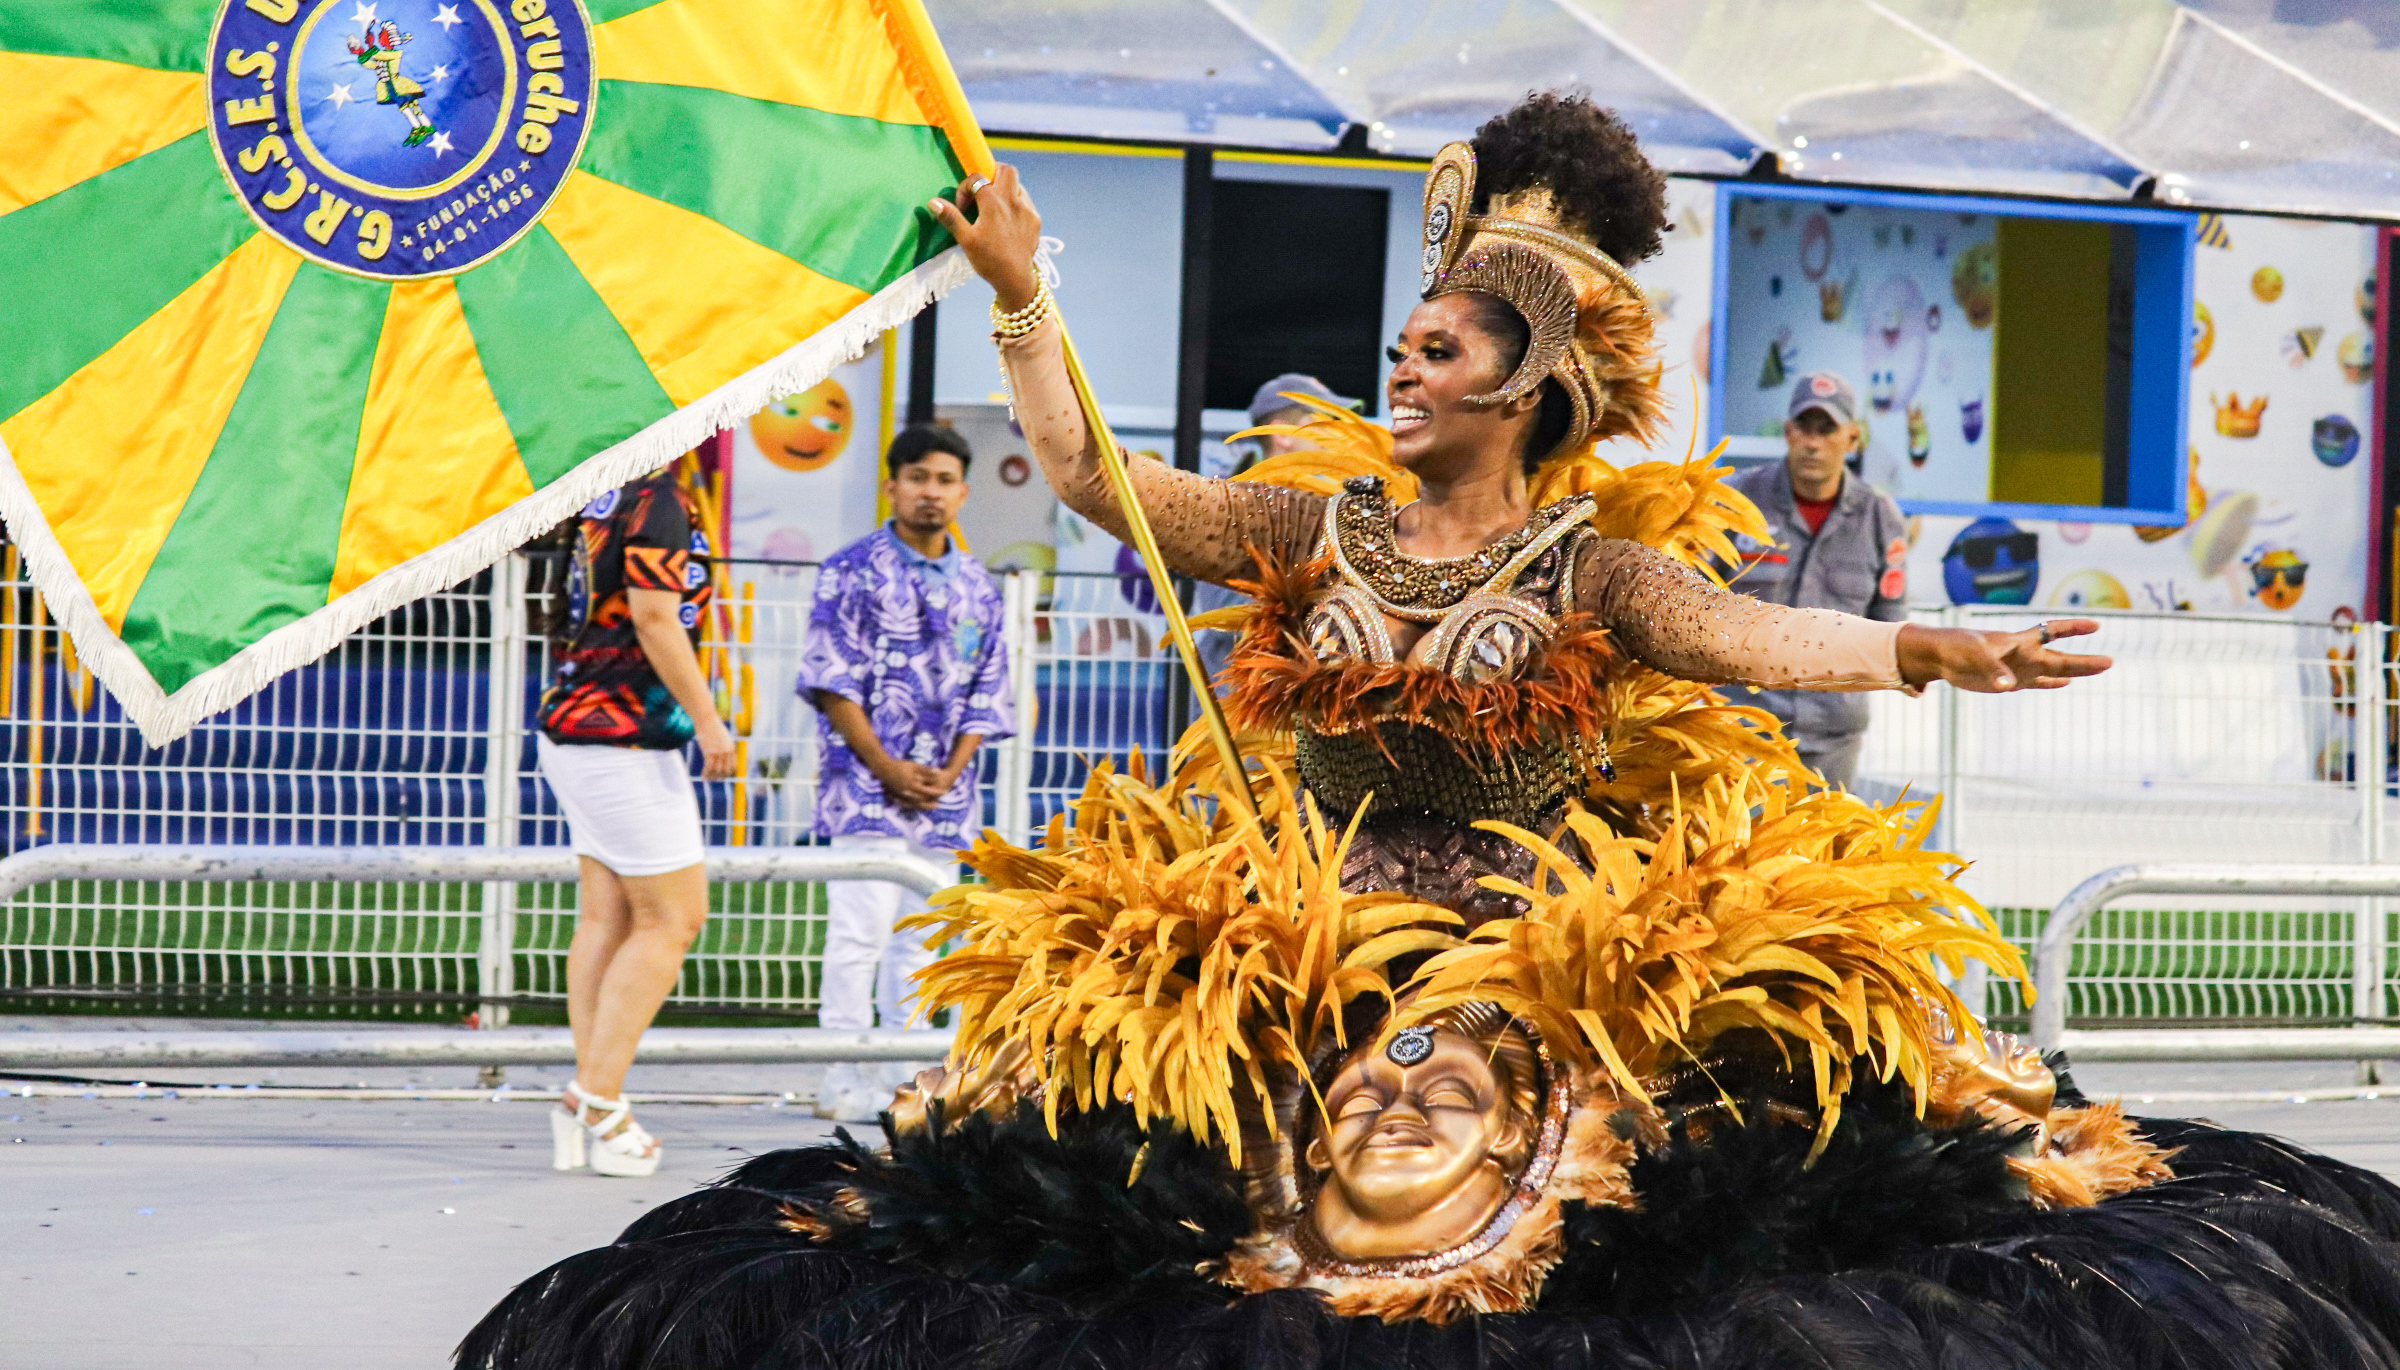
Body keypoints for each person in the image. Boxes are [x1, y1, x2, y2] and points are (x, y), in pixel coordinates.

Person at [464, 99, 2400, 1370]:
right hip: (1292, 926)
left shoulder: (1594, 567)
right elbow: (1094, 477)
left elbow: (1750, 632)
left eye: (1440, 347)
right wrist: (1027, 296)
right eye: (1405, 342)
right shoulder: (1311, 526)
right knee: (1049, 1181)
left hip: (1533, 953)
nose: (1402, 361)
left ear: (1531, 385)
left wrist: (1932, 646)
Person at [795, 424, 1014, 1124]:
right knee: (857, 934)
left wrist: (950, 772)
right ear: (891, 485)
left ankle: (905, 1080)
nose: (931, 492)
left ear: (963, 492)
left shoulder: (979, 585)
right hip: (864, 790)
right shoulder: (849, 571)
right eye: (917, 477)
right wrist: (887, 767)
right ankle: (841, 1075)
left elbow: (989, 691)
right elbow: (832, 680)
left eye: (945, 480)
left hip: (945, 798)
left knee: (922, 942)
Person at [533, 466, 734, 1179]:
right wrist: (709, 721)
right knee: (674, 920)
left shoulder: (609, 493)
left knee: (609, 918)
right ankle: (598, 1100)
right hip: (620, 737)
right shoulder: (658, 501)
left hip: (584, 727)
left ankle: (590, 1099)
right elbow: (654, 617)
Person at [1728, 371, 1910, 790]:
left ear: (1853, 438)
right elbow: (1692, 596)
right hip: (1742, 729)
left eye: (1827, 429)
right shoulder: (1735, 500)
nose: (1813, 443)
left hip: (1833, 739)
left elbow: (1890, 625)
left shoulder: (1880, 517)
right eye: (1804, 427)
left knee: (1826, 836)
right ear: (1788, 432)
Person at [1193, 372, 1353, 678]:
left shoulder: (1329, 505)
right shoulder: (1232, 504)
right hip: (1240, 691)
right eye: (1323, 422)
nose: (1337, 435)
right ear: (1282, 433)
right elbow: (1220, 612)